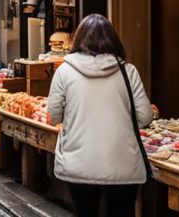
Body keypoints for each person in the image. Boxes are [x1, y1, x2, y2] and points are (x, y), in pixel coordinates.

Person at [47, 14, 153, 217]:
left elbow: (54, 115)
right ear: (113, 39)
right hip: (122, 163)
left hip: (79, 162)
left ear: (78, 39)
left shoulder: (64, 71)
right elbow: (145, 117)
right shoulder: (128, 71)